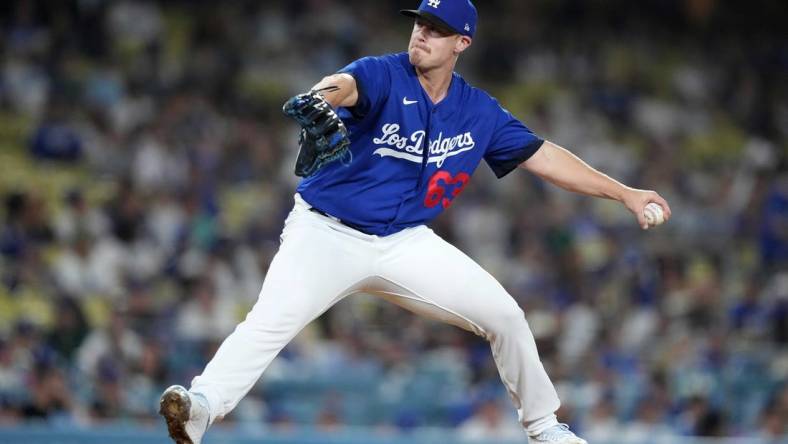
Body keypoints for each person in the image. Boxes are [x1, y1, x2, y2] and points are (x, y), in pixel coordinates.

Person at [158, 1, 672, 443]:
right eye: (419, 23)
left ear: (461, 43)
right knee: (269, 322)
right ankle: (202, 405)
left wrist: (624, 193)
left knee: (506, 316)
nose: (422, 34)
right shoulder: (384, 73)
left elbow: (545, 157)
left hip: (404, 242)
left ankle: (544, 426)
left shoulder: (477, 111)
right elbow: (342, 85)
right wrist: (321, 98)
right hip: (326, 233)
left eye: (436, 29)